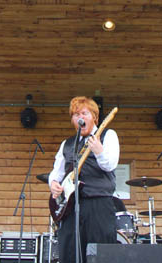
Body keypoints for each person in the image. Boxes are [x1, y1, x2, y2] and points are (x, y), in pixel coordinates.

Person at [49, 96, 119, 263]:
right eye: (76, 114)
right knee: (70, 253)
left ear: (94, 116)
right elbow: (56, 172)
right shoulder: (67, 144)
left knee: (101, 253)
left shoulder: (107, 135)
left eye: (84, 113)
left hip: (98, 204)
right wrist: (53, 185)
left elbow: (110, 165)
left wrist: (99, 151)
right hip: (71, 207)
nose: (80, 117)